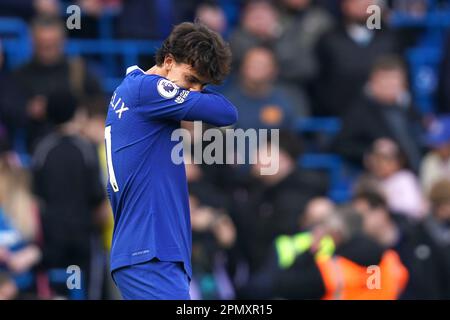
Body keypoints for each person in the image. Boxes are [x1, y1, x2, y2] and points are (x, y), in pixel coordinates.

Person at [106, 22, 238, 300]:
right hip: (151, 251)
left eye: (202, 86)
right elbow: (227, 112)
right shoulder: (148, 89)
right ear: (168, 61)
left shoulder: (134, 91)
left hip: (148, 251)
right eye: (191, 80)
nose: (195, 92)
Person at [239, 207, 408, 299]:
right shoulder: (391, 260)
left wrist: (309, 253)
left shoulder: (334, 268)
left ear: (335, 234)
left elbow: (281, 286)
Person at [32, 91, 107, 299]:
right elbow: (98, 198)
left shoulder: (42, 149)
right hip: (83, 237)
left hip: (53, 237)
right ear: (76, 113)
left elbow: (37, 196)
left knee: (63, 290)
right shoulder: (85, 149)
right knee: (88, 290)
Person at [231, 131, 327, 274]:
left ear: (284, 160)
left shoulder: (300, 194)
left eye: (266, 151)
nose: (257, 155)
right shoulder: (255, 188)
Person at [13, 15, 104, 152]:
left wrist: (82, 118)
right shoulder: (20, 75)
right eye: (42, 45)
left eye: (52, 44)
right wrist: (29, 109)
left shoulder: (78, 70)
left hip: (78, 146)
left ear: (63, 41)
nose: (47, 49)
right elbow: (9, 112)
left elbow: (99, 104)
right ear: (33, 42)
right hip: (38, 148)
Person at [353, 189, 450, 299]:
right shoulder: (366, 258)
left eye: (362, 216)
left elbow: (442, 275)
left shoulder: (418, 235)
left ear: (381, 210)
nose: (360, 223)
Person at [334, 56, 423, 171]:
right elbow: (341, 145)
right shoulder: (359, 111)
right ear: (373, 82)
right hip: (379, 177)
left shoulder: (408, 108)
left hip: (417, 173)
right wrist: (372, 150)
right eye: (386, 80)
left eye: (395, 80)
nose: (391, 86)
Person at [314, 0, 398, 116]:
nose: (364, 4)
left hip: (382, 115)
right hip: (338, 114)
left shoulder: (388, 38)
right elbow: (320, 83)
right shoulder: (329, 40)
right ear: (344, 5)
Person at [223, 46, 309, 130]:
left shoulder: (287, 100)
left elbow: (294, 136)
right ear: (243, 67)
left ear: (275, 70)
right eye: (253, 64)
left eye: (262, 65)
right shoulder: (227, 103)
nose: (257, 69)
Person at [358, 138, 427, 219]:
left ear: (397, 160)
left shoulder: (404, 178)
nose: (379, 164)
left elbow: (413, 208)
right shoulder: (375, 184)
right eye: (377, 160)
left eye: (385, 159)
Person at [420, 115, 450, 193]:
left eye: (441, 143)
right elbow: (427, 191)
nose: (437, 148)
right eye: (434, 144)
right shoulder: (429, 160)